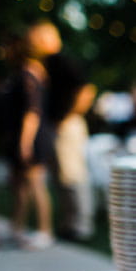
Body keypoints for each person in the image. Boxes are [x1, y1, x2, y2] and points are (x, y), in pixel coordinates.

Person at [0, 20, 62, 250]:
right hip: (24, 136)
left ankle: (46, 231)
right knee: (21, 186)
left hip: (32, 138)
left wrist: (24, 143)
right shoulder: (28, 73)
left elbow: (31, 112)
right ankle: (17, 226)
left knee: (36, 184)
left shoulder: (29, 74)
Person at [46, 53, 97, 242]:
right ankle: (70, 223)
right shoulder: (49, 62)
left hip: (67, 125)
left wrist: (69, 115)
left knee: (73, 175)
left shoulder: (63, 61)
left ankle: (82, 225)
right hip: (59, 124)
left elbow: (87, 88)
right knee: (62, 177)